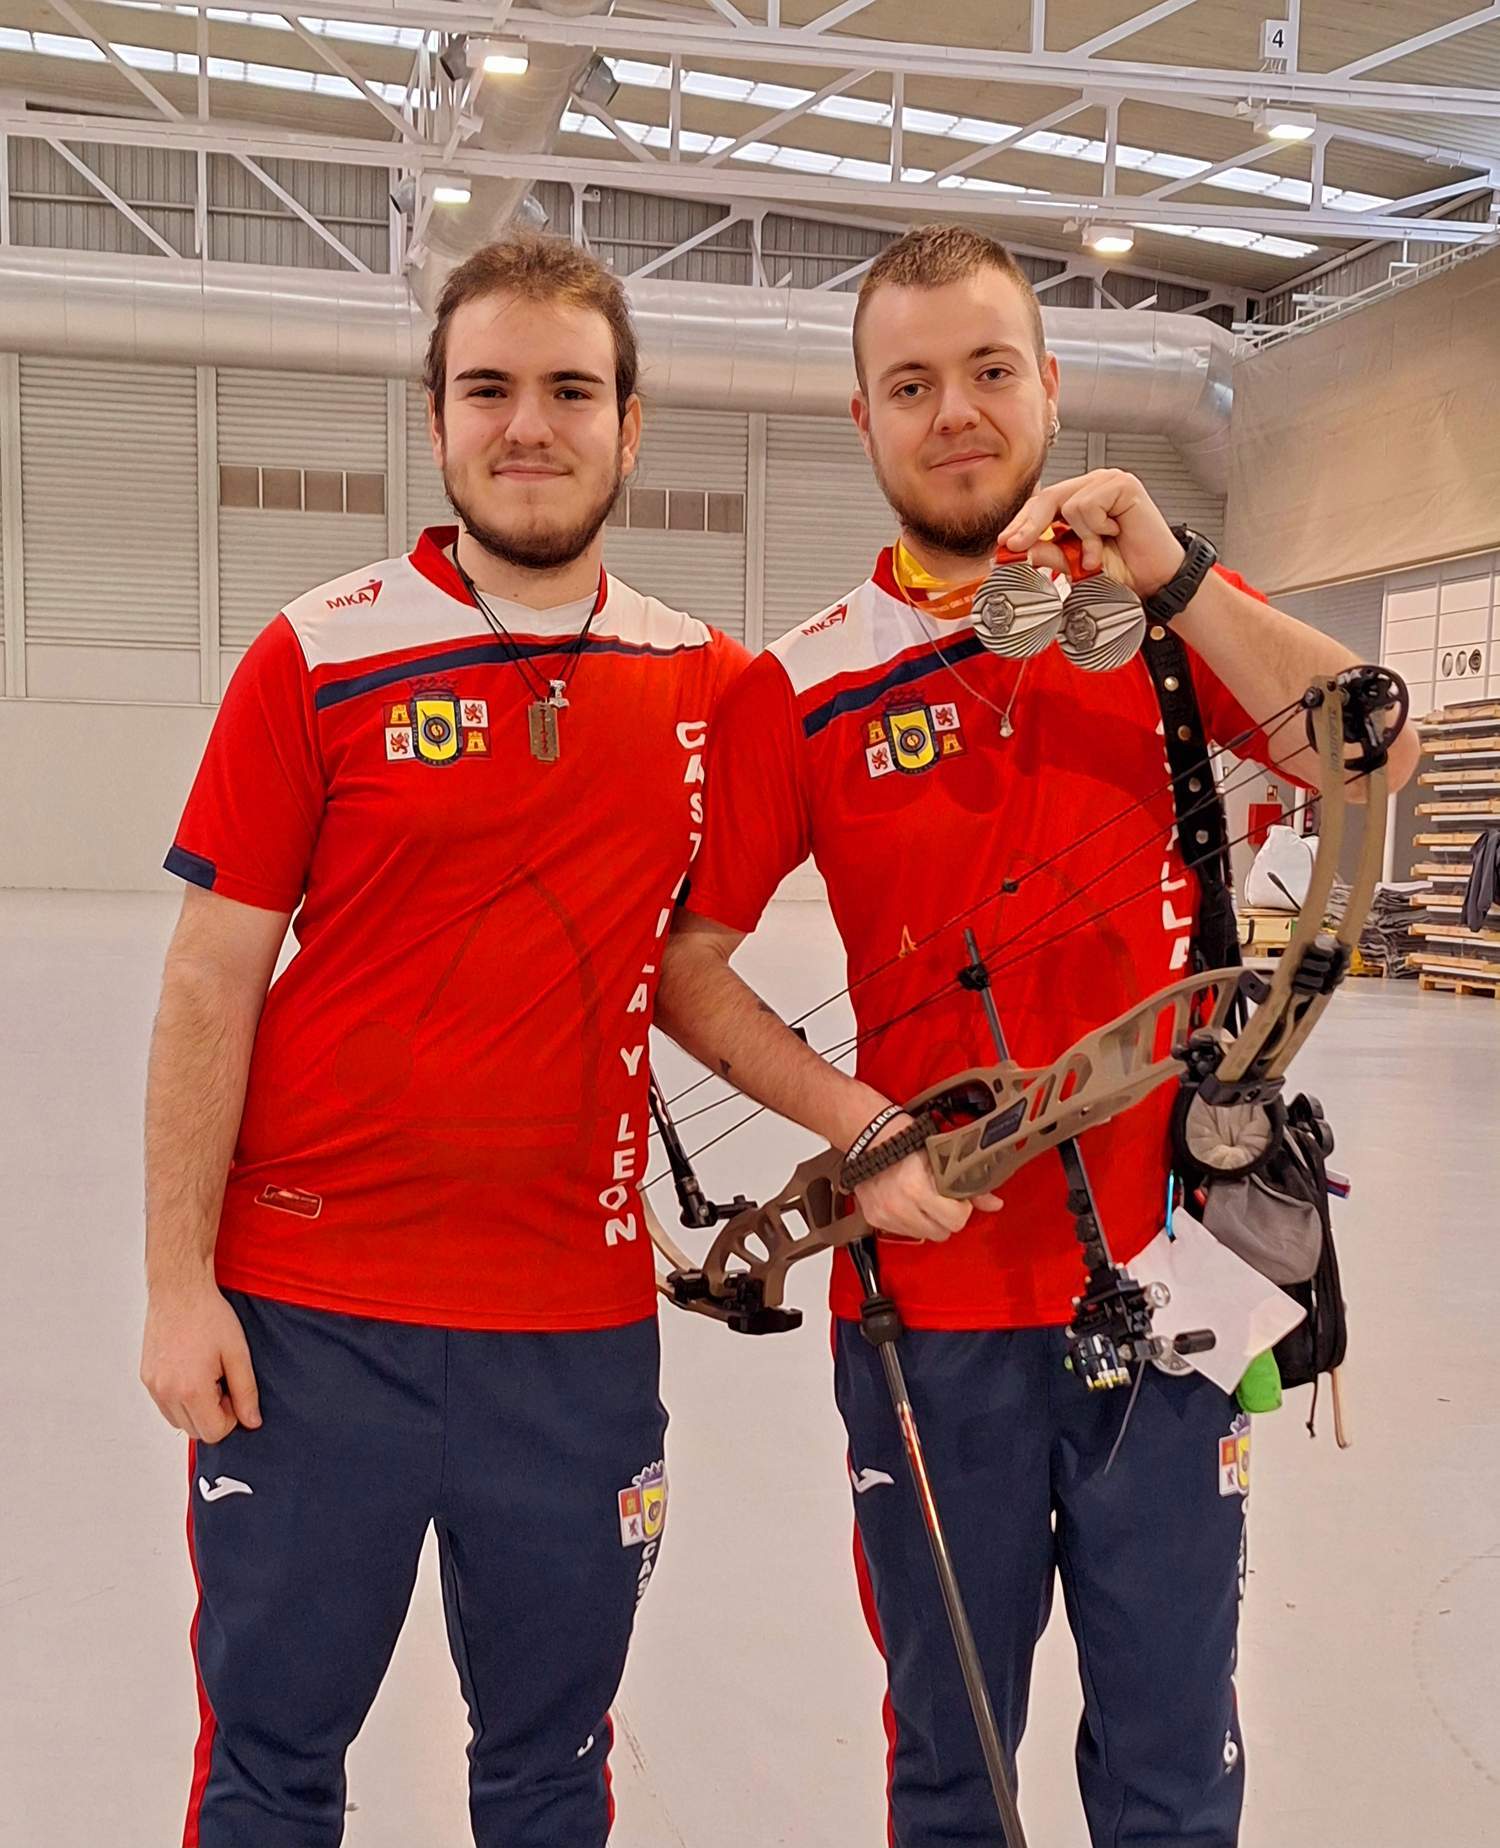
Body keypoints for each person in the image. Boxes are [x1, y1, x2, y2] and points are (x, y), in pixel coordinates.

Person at [655, 223, 1416, 1846]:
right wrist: (858, 1129)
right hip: (929, 1314)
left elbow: (1374, 744)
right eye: (912, 383)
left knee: (1173, 1771)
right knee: (955, 1777)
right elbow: (693, 969)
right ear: (864, 417)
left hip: (1178, 1293)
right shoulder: (802, 683)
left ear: (1051, 388)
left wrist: (1177, 574)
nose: (957, 411)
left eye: (991, 369)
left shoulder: (1160, 622)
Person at [140, 232, 746, 1847]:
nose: (528, 426)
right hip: (310, 1330)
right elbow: (209, 980)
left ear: (631, 426)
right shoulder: (316, 653)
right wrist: (179, 1285)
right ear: (437, 421)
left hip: (575, 1341)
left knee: (549, 1774)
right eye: (489, 389)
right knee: (270, 1772)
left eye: (570, 391)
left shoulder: (709, 681)